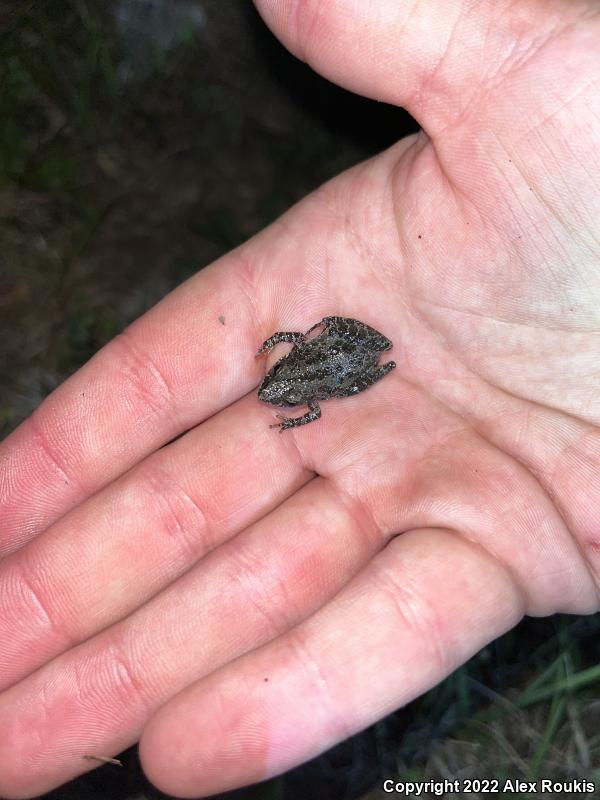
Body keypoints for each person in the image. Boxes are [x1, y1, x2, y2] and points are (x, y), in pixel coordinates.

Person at [1, 0, 599, 796]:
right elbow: (305, 389)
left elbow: (315, 393)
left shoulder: (311, 379)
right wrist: (286, 380)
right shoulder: (296, 379)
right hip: (333, 361)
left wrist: (292, 378)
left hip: (341, 359)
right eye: (276, 391)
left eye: (278, 390)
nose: (277, 393)